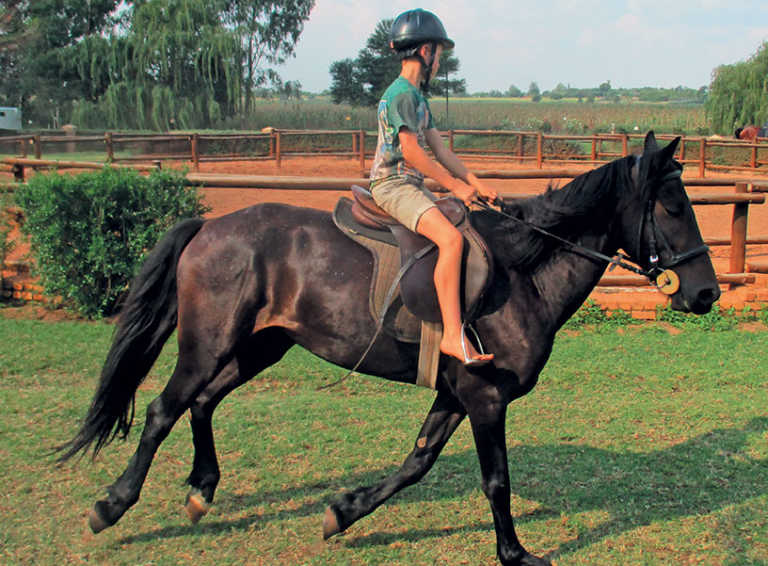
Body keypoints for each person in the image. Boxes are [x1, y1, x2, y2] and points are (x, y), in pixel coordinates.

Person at [369, 8, 497, 366]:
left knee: (461, 229)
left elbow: (439, 150)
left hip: (409, 184)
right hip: (393, 185)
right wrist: (454, 187)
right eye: (438, 52)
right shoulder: (401, 95)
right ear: (426, 51)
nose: (439, 60)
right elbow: (410, 152)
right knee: (451, 240)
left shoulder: (417, 98)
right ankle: (453, 338)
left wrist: (474, 182)